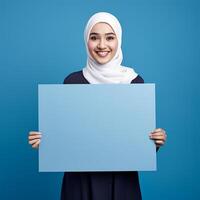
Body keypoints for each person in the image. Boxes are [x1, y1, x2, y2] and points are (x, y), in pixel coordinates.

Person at [28, 12, 167, 200]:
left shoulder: (134, 82)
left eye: (110, 37)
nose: (102, 45)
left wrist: (155, 141)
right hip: (80, 182)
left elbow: (137, 143)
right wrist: (46, 144)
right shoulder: (72, 81)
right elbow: (67, 135)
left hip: (121, 182)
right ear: (86, 41)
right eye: (94, 38)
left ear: (119, 40)